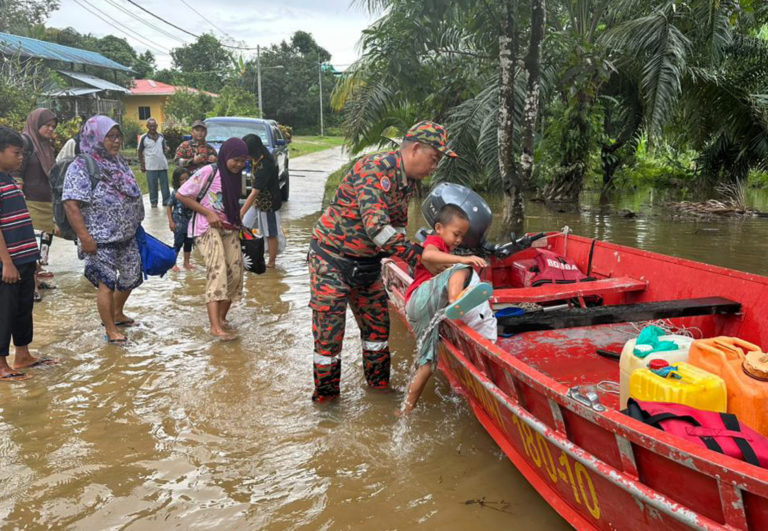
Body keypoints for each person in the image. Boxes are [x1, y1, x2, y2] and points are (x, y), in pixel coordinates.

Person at [308, 120, 457, 402]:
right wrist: (420, 256)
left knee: (377, 333)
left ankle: (379, 394)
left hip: (367, 265)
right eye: (434, 158)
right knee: (329, 340)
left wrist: (424, 264)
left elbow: (398, 230)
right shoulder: (375, 169)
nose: (434, 167)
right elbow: (377, 229)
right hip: (332, 262)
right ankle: (326, 407)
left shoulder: (408, 183)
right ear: (414, 149)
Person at [398, 204, 495, 415]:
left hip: (421, 310)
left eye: (462, 236)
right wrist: (463, 259)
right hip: (419, 298)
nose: (459, 240)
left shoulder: (446, 249)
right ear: (439, 227)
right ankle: (455, 299)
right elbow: (428, 256)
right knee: (463, 268)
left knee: (428, 365)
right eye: (456, 234)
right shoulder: (435, 241)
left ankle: (405, 409)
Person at [62, 116, 145, 345]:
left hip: (127, 235)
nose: (116, 141)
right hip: (99, 238)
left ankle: (117, 313)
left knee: (131, 277)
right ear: (95, 137)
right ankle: (110, 329)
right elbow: (71, 204)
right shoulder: (81, 165)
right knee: (106, 283)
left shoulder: (118, 162)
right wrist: (85, 238)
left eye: (118, 136)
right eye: (110, 136)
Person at [0, 126, 57, 381]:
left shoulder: (9, 179)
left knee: (23, 309)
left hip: (23, 258)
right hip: (7, 262)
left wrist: (31, 259)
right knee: (5, 311)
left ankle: (22, 354)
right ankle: (1, 364)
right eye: (16, 153)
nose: (21, 158)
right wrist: (6, 263)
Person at [177, 138, 247, 341]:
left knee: (236, 271)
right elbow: (182, 195)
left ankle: (222, 319)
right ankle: (215, 327)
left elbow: (235, 202)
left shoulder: (238, 177)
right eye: (236, 159)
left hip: (230, 227)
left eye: (243, 161)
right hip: (206, 226)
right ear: (226, 156)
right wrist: (208, 213)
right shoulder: (209, 171)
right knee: (218, 269)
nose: (239, 164)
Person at [16, 108, 58, 301]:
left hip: (46, 201)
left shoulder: (47, 145)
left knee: (43, 245)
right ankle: (31, 287)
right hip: (30, 202)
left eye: (53, 126)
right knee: (32, 246)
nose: (51, 129)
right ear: (35, 124)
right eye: (47, 125)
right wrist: (19, 201)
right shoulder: (25, 142)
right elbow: (17, 172)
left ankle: (38, 277)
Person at [240, 133, 282, 268]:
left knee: (270, 233)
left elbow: (254, 192)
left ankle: (271, 263)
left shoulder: (266, 164)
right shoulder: (256, 158)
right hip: (258, 202)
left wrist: (241, 211)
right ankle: (251, 254)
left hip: (268, 203)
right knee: (244, 226)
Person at [138, 117, 170, 208]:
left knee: (165, 185)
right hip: (150, 166)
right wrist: (142, 165)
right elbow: (139, 152)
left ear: (156, 126)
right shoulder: (143, 137)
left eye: (154, 126)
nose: (152, 128)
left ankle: (166, 201)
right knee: (152, 185)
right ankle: (153, 202)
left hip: (162, 165)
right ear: (147, 126)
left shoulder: (161, 136)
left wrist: (167, 150)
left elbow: (165, 148)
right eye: (150, 126)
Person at [166, 167, 194, 271]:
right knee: (178, 243)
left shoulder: (193, 193)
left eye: (187, 179)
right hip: (178, 222)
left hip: (190, 223)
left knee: (189, 242)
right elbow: (169, 206)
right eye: (182, 179)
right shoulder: (175, 193)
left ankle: (186, 263)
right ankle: (173, 263)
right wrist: (171, 222)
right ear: (177, 181)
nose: (185, 181)